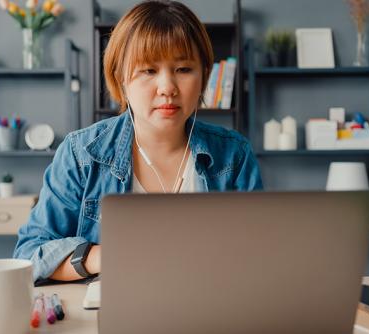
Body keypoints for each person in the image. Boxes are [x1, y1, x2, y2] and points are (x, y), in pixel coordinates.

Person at [14, 0, 263, 283]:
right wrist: (102, 256)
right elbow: (28, 256)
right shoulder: (80, 154)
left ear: (204, 75)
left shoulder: (234, 154)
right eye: (148, 70)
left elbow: (261, 255)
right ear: (121, 79)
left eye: (183, 69)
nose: (168, 87)